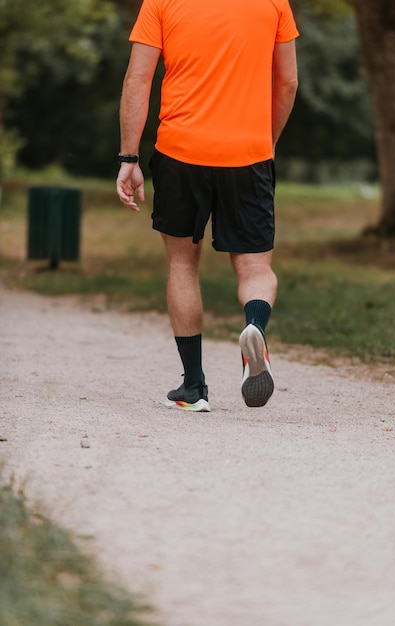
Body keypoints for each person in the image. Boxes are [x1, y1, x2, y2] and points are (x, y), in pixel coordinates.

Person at [117, 0, 299, 412]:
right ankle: (255, 326)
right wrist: (265, 143)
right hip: (248, 155)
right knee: (255, 267)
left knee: (183, 264)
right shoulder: (274, 2)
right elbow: (287, 82)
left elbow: (138, 79)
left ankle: (193, 388)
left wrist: (129, 158)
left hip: (181, 152)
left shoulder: (161, 2)